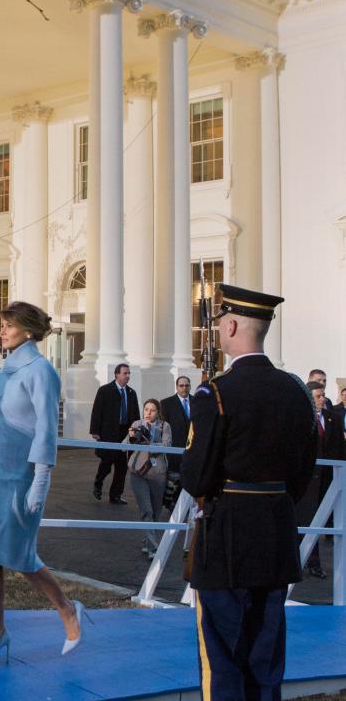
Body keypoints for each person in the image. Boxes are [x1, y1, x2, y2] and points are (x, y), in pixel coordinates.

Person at [182, 283, 316, 701]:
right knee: (266, 651)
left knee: (223, 654)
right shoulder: (296, 390)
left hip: (226, 536)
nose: (219, 329)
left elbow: (197, 477)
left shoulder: (215, 393)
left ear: (233, 324)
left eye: (221, 322)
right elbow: (304, 470)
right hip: (276, 529)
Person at [0, 302, 83, 667]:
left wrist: (41, 481)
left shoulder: (41, 371)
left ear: (28, 331)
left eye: (8, 325)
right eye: (1, 324)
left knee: (20, 554)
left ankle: (66, 610)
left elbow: (47, 428)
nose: (1, 330)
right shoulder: (6, 370)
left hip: (25, 474)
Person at [296, 380, 344, 579]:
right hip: (306, 480)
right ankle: (305, 560)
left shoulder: (332, 418)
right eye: (318, 396)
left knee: (323, 520)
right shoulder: (301, 419)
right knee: (305, 520)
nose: (322, 398)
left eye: (323, 395)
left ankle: (313, 562)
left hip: (327, 479)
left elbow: (339, 448)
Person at [124, 399, 172, 560]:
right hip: (138, 472)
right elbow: (124, 445)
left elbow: (167, 445)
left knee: (156, 511)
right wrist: (132, 437)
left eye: (152, 410)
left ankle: (146, 542)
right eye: (146, 409)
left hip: (157, 473)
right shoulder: (137, 423)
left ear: (158, 412)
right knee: (147, 510)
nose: (148, 413)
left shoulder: (164, 426)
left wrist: (149, 442)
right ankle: (153, 547)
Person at [89, 363, 139, 504]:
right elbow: (97, 411)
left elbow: (135, 414)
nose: (128, 376)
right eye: (125, 373)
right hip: (108, 433)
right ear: (117, 374)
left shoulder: (131, 393)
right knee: (106, 462)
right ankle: (98, 484)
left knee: (122, 467)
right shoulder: (105, 390)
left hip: (125, 434)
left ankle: (115, 495)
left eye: (129, 373)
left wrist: (136, 430)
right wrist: (95, 431)